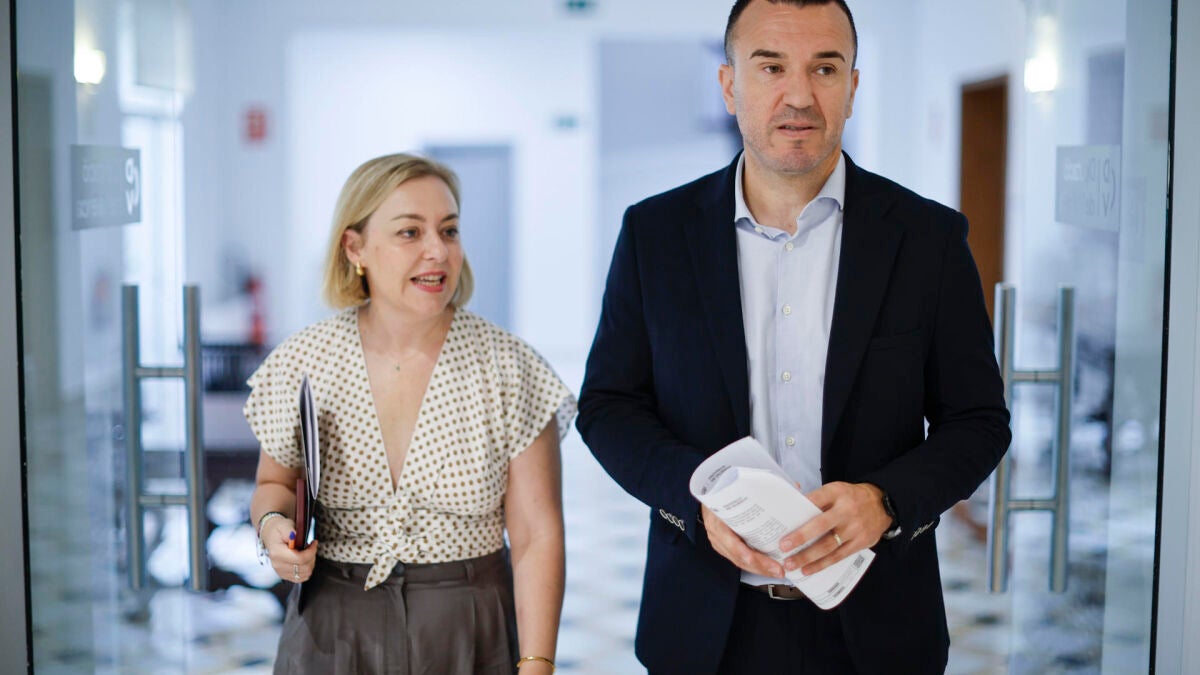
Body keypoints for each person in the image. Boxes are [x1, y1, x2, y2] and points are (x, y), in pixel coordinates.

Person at [576, 1, 1011, 673]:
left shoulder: (929, 239)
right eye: (771, 67)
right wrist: (696, 499)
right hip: (703, 627)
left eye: (825, 69)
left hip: (877, 628)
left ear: (853, 88)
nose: (800, 95)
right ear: (729, 85)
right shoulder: (654, 235)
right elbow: (608, 406)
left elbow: (978, 421)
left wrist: (886, 501)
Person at [246, 153, 574, 675]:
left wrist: (536, 665)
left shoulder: (509, 368)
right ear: (355, 248)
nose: (437, 251)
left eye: (449, 231)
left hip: (470, 630)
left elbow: (537, 535)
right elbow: (274, 485)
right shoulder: (305, 361)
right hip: (332, 630)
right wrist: (273, 530)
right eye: (410, 232)